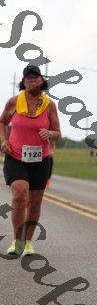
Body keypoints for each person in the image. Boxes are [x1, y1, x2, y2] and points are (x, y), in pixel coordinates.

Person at [0, 65, 61, 257]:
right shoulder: (14, 102)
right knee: (20, 194)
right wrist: (3, 140)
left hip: (40, 160)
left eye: (35, 78)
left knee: (34, 202)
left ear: (42, 81)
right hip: (16, 156)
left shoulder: (49, 105)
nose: (32, 81)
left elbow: (57, 133)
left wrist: (49, 133)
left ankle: (27, 243)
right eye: (29, 78)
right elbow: (2, 122)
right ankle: (17, 241)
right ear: (24, 82)